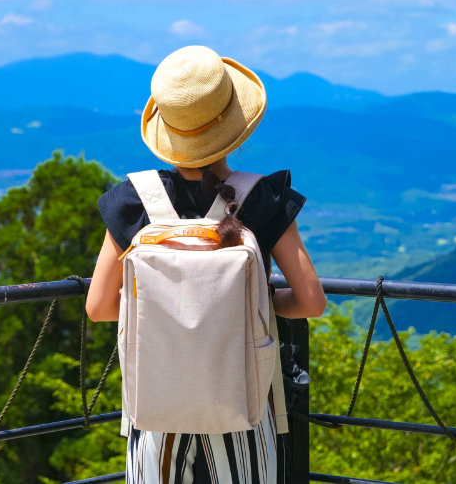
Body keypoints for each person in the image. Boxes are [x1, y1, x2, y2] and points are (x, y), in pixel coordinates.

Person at [85, 45, 327, 484]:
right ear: (234, 123)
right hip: (242, 405)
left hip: (156, 408)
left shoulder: (132, 201)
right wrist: (242, 304)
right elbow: (311, 301)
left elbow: (100, 307)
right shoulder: (263, 199)